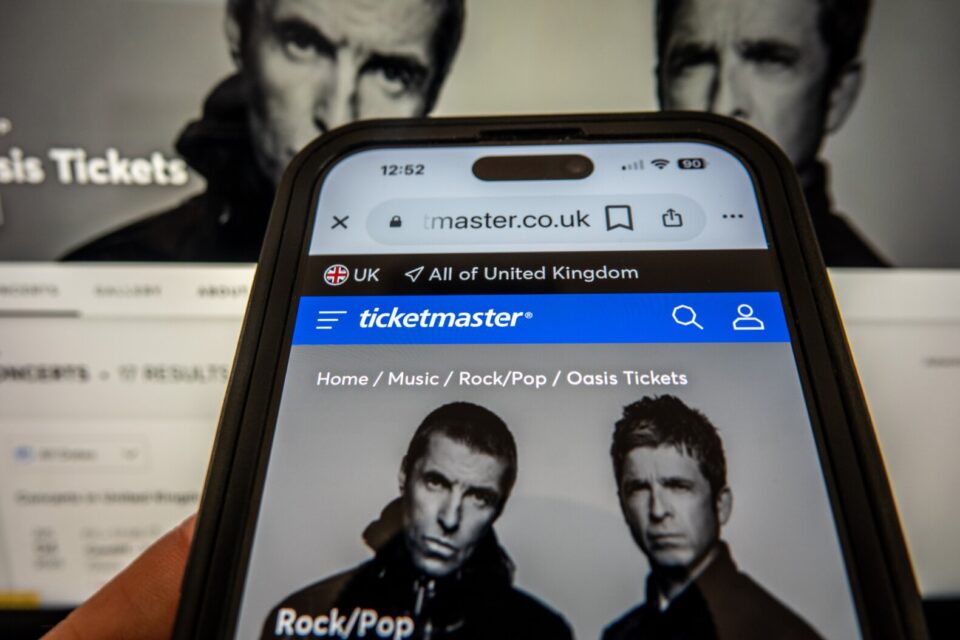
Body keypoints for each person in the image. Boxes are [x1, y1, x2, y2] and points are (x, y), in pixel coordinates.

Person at [62, 0, 464, 261]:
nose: (337, 118)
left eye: (392, 74)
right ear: (239, 34)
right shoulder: (109, 268)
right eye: (302, 44)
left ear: (433, 93)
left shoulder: (478, 288)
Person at [261, 402, 571, 639]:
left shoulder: (541, 631)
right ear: (404, 476)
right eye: (436, 482)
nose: (450, 518)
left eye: (479, 497)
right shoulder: (308, 612)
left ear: (499, 508)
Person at [655, 0, 888, 266]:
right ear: (660, 84)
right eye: (694, 61)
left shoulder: (883, 289)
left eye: (769, 59)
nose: (722, 105)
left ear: (838, 94)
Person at [603, 395, 822, 639]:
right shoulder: (619, 635)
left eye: (678, 486)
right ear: (623, 506)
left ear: (721, 505)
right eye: (638, 489)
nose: (657, 511)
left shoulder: (780, 633)